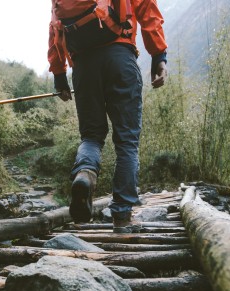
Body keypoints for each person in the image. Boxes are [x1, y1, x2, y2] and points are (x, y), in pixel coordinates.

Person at [48, 0, 168, 233]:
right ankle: (122, 217)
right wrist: (158, 55)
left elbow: (55, 25)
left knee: (91, 137)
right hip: (119, 57)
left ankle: (85, 172)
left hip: (83, 65)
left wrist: (59, 73)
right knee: (127, 142)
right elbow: (146, 8)